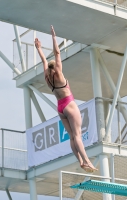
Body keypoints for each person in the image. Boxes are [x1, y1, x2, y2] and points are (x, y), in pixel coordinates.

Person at [35, 25, 97, 173]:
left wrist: (39, 49)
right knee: (78, 136)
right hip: (69, 104)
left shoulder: (47, 77)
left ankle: (81, 161)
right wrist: (54, 36)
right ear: (56, 67)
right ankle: (87, 161)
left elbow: (44, 61)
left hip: (60, 108)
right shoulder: (59, 75)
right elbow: (57, 52)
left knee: (71, 136)